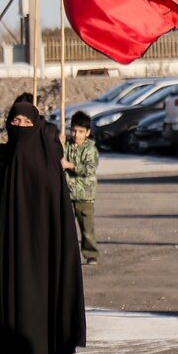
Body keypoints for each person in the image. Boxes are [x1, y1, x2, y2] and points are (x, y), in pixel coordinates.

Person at [0, 102, 86, 354]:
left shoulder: (48, 161)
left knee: (43, 296)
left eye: (26, 122)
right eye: (15, 121)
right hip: (14, 240)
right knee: (13, 293)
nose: (20, 126)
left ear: (36, 125)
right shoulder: (5, 157)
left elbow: (55, 206)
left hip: (44, 245)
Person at [63, 111, 100, 265]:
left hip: (85, 195)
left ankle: (90, 254)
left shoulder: (90, 149)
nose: (76, 135)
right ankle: (66, 255)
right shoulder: (66, 145)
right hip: (68, 193)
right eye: (74, 131)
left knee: (87, 227)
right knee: (66, 228)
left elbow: (89, 169)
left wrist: (70, 165)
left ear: (87, 132)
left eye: (80, 131)